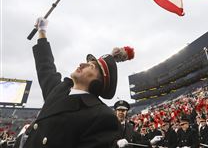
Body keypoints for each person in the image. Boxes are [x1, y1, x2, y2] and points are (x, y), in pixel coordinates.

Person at [16, 17, 134, 148]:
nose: (82, 64)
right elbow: (46, 67)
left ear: (98, 81)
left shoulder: (102, 115)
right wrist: (42, 32)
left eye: (91, 66)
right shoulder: (59, 90)